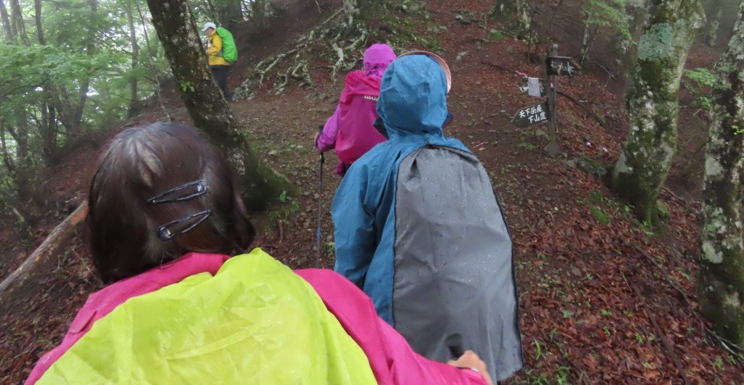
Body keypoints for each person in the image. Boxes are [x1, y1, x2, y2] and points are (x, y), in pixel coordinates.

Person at [26, 121, 492, 385]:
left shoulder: (63, 372)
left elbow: (350, 226)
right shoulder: (321, 297)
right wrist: (468, 377)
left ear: (105, 240)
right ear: (233, 205)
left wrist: (327, 142)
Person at [332, 53, 523, 383]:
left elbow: (351, 261)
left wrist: (346, 325)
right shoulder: (468, 161)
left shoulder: (369, 169)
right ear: (439, 101)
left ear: (385, 101)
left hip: (407, 331)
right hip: (481, 318)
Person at [316, 43, 397, 176]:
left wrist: (321, 142)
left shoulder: (354, 89)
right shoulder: (398, 90)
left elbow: (332, 130)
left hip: (355, 167)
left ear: (366, 63)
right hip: (388, 166)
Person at [202, 21, 232, 102]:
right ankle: (227, 99)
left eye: (207, 30)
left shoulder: (216, 37)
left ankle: (227, 99)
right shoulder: (212, 38)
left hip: (220, 63)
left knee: (220, 83)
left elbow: (216, 48)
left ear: (211, 29)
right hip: (217, 63)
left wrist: (207, 52)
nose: (206, 32)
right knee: (221, 83)